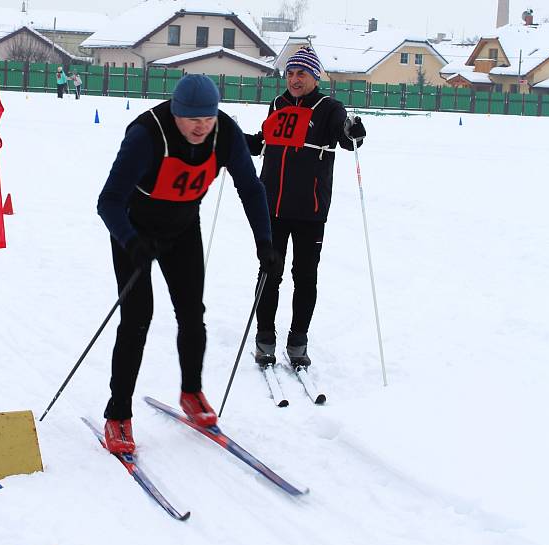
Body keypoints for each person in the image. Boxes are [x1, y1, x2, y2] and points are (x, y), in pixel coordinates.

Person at [96, 74, 279, 454]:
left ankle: (191, 392)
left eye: (208, 118)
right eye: (192, 119)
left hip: (182, 229)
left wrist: (265, 243)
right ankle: (118, 415)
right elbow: (109, 200)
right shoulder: (147, 135)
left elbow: (251, 187)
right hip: (134, 229)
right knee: (137, 317)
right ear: (175, 113)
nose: (201, 126)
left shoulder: (223, 133)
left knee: (192, 313)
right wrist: (130, 241)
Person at [244, 46, 366, 368]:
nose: (295, 80)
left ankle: (298, 341)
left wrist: (352, 130)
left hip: (310, 211)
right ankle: (264, 338)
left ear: (315, 76)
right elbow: (263, 141)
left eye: (302, 73)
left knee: (305, 277)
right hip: (271, 207)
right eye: (291, 73)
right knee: (269, 274)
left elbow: (345, 134)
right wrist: (237, 142)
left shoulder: (329, 108)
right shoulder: (277, 104)